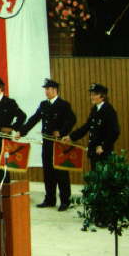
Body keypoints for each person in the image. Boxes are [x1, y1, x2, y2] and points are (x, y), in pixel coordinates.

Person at [17, 79, 76, 211]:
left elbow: (72, 120)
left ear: (54, 90)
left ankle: (65, 201)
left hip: (59, 144)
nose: (46, 92)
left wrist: (61, 132)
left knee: (61, 172)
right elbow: (34, 119)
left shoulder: (63, 105)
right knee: (48, 172)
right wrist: (22, 131)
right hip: (47, 143)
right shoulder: (43, 105)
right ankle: (50, 199)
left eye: (48, 89)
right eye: (45, 89)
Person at [64, 83, 120, 172]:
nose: (91, 97)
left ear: (102, 96)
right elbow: (87, 126)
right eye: (91, 94)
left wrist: (103, 146)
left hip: (103, 153)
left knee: (102, 182)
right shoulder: (94, 109)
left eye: (94, 95)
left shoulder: (109, 110)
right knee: (95, 180)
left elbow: (115, 131)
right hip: (94, 152)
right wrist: (71, 137)